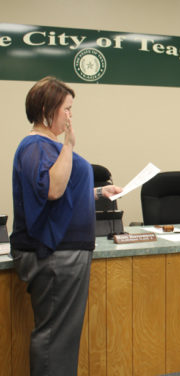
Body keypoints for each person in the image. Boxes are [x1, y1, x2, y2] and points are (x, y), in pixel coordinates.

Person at [10, 76, 122, 376]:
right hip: (55, 255)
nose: (70, 116)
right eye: (67, 109)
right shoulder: (35, 145)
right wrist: (69, 146)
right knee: (55, 339)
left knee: (61, 337)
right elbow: (53, 190)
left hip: (64, 254)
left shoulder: (46, 146)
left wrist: (98, 192)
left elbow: (60, 192)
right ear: (47, 108)